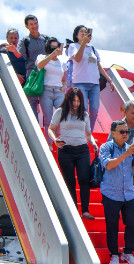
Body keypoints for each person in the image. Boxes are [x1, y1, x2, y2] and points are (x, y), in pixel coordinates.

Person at [99, 119, 134, 264]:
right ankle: (114, 254)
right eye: (122, 131)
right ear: (113, 133)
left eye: (127, 132)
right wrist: (125, 154)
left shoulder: (130, 148)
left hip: (128, 193)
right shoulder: (106, 147)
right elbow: (108, 165)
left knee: (131, 223)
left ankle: (128, 252)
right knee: (112, 225)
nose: (125, 134)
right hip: (111, 193)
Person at [48, 88, 97, 219]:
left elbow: (88, 134)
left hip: (82, 150)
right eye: (73, 100)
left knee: (84, 180)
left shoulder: (84, 115)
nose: (75, 103)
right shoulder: (60, 112)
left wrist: (93, 143)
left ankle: (85, 211)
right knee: (70, 182)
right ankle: (74, 211)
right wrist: (55, 140)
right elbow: (51, 129)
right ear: (68, 100)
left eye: (78, 101)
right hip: (65, 150)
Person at [107, 101, 134, 234]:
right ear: (125, 112)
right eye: (133, 113)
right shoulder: (117, 126)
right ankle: (120, 221)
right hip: (122, 165)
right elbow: (109, 144)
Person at [67, 25, 113, 131]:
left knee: (94, 110)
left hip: (94, 83)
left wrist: (108, 79)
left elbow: (99, 66)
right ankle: (81, 132)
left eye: (86, 32)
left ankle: (89, 133)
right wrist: (83, 43)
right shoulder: (73, 46)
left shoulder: (92, 49)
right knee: (83, 109)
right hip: (80, 82)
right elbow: (77, 59)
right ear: (76, 34)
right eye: (82, 32)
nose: (84, 33)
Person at [36, 37, 66, 148]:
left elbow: (64, 78)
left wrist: (64, 86)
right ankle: (48, 143)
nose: (55, 49)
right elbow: (39, 65)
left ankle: (59, 139)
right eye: (53, 47)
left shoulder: (62, 62)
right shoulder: (42, 57)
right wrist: (51, 55)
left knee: (62, 116)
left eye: (57, 47)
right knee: (48, 118)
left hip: (58, 91)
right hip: (46, 90)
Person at [16, 15, 47, 116]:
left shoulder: (46, 39)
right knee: (32, 104)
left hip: (46, 74)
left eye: (35, 23)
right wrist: (13, 50)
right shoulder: (25, 40)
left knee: (47, 103)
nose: (34, 26)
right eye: (31, 24)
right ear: (26, 26)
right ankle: (35, 129)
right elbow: (19, 54)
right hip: (32, 75)